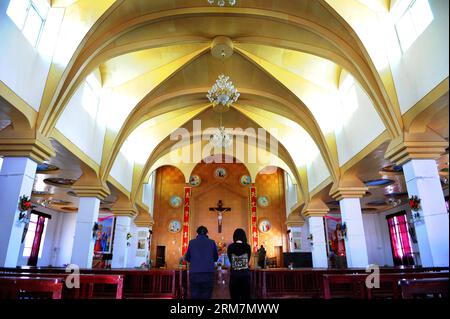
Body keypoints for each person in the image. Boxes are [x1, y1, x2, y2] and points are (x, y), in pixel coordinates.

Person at [184, 226, 219, 299]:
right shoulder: (212, 242)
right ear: (206, 233)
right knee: (207, 295)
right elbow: (216, 258)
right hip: (208, 274)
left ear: (197, 233)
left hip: (194, 274)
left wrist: (195, 261)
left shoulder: (191, 242)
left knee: (194, 295)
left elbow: (187, 258)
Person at [227, 228, 252, 299]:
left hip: (234, 275)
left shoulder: (230, 247)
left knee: (234, 296)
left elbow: (230, 260)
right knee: (246, 296)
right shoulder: (247, 246)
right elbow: (248, 260)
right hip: (245, 275)